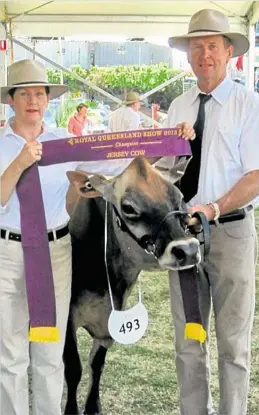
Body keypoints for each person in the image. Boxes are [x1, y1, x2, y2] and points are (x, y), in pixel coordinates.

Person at [0, 59, 139, 415]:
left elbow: (116, 160)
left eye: (40, 94)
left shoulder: (63, 142)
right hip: (8, 252)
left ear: (48, 100)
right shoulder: (1, 145)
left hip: (55, 251)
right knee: (10, 351)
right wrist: (19, 162)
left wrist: (169, 139)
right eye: (24, 94)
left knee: (49, 346)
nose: (33, 100)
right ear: (11, 100)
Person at [164, 8, 259, 415]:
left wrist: (215, 208)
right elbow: (162, 174)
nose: (204, 54)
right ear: (188, 54)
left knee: (234, 345)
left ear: (228, 53)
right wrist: (169, 151)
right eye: (197, 46)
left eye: (212, 46)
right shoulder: (178, 107)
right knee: (189, 341)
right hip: (183, 236)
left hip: (230, 232)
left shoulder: (248, 103)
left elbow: (257, 175)